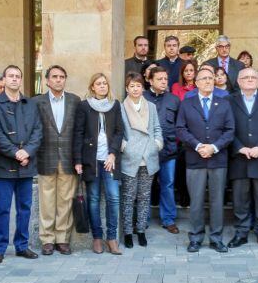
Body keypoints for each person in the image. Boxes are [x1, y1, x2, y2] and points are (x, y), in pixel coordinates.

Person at [176, 67, 235, 253]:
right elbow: (180, 129)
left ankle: (216, 238)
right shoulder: (187, 103)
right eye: (204, 78)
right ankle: (195, 237)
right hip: (195, 159)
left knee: (217, 201)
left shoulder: (224, 103)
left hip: (218, 159)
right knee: (197, 201)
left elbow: (230, 131)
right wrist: (198, 146)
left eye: (211, 78)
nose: (208, 81)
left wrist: (214, 147)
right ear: (197, 82)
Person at [0, 65, 42, 265]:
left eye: (17, 76)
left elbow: (38, 131)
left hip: (26, 164)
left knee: (25, 208)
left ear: (21, 80)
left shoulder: (30, 103)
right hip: (4, 166)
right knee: (2, 208)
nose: (14, 79)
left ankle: (22, 246)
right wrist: (15, 152)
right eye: (10, 76)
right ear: (3, 80)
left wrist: (27, 151)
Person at [73, 73, 125, 255]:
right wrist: (78, 160)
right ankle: (97, 237)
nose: (102, 86)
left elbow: (119, 131)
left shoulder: (115, 105)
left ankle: (111, 238)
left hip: (109, 161)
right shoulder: (84, 106)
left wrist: (112, 154)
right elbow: (78, 133)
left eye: (105, 83)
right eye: (98, 83)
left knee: (113, 198)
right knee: (93, 199)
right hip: (90, 161)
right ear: (92, 87)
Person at [228, 67, 258, 249]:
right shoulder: (229, 100)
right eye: (245, 77)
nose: (249, 79)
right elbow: (226, 127)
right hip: (239, 158)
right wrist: (239, 147)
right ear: (238, 81)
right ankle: (241, 233)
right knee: (240, 200)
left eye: (253, 77)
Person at [33, 65, 81, 255]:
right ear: (47, 80)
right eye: (54, 77)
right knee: (46, 201)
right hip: (46, 157)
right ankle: (47, 239)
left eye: (62, 76)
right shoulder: (37, 102)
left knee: (65, 200)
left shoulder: (75, 101)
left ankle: (62, 239)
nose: (58, 80)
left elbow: (78, 131)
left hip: (68, 158)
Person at [120, 73, 162, 248]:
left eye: (138, 85)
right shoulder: (121, 107)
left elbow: (157, 128)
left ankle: (141, 230)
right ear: (127, 88)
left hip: (148, 157)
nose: (135, 89)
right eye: (132, 86)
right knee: (129, 197)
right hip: (130, 158)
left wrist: (157, 144)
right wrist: (126, 147)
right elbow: (118, 131)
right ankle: (128, 232)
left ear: (143, 87)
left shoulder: (151, 106)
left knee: (144, 197)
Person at [143, 66, 181, 233]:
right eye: (159, 79)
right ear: (150, 80)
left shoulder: (174, 100)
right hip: (145, 151)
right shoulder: (141, 97)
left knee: (168, 184)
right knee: (145, 185)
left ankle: (168, 219)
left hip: (169, 150)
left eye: (165, 79)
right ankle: (143, 219)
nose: (164, 82)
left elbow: (180, 124)